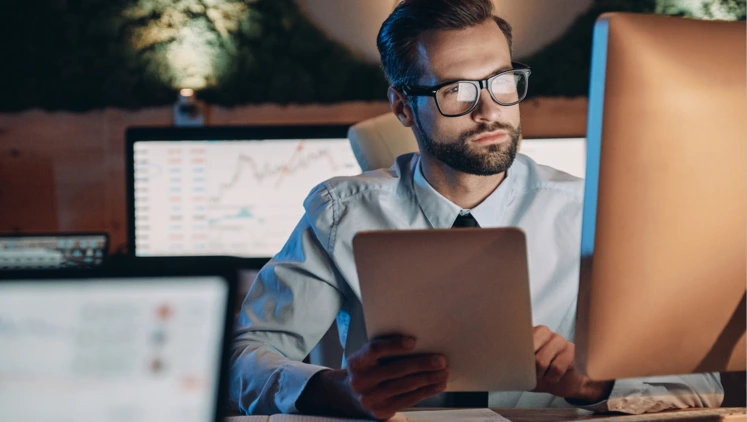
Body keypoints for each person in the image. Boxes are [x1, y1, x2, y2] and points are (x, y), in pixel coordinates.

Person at [230, 0, 723, 418]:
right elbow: (240, 359)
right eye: (456, 91)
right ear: (402, 107)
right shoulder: (341, 212)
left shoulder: (590, 215)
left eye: (501, 81)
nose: (489, 111)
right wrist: (337, 390)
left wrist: (595, 385)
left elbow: (702, 384)